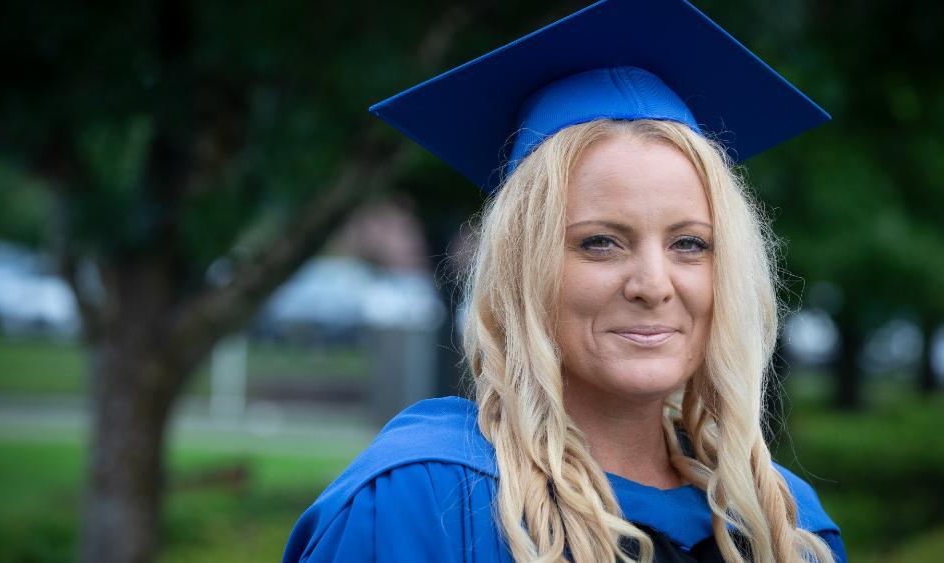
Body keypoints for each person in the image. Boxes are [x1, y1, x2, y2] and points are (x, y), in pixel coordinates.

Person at [284, 1, 845, 561]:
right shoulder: (423, 503)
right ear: (521, 270)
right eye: (600, 242)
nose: (653, 284)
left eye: (690, 244)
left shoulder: (783, 526)